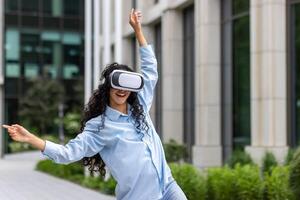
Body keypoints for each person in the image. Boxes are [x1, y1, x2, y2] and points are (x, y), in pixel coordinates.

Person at [3, 9, 187, 200]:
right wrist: (31, 138)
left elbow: (151, 71)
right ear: (107, 87)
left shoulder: (139, 107)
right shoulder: (100, 127)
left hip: (168, 187)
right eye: (117, 85)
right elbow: (67, 153)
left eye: (127, 85)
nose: (122, 90)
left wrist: (139, 31)